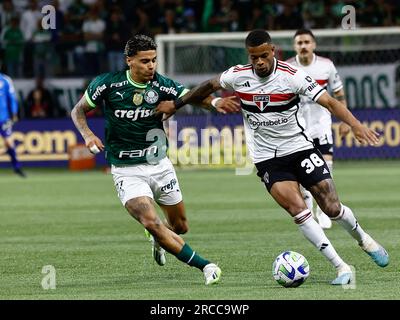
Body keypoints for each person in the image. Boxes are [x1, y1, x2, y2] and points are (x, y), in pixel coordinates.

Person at [156, 29, 389, 285]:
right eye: (254, 57)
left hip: (300, 148)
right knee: (298, 210)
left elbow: (331, 103)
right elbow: (207, 86)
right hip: (267, 158)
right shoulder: (238, 75)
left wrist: (355, 125)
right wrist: (179, 105)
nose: (259, 62)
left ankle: (364, 240)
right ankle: (341, 267)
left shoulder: (293, 76)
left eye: (263, 56)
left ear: (273, 51)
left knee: (332, 207)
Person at [70, 34, 238, 285]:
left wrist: (214, 101)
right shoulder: (107, 84)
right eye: (145, 61)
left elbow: (191, 96)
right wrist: (88, 135)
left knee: (180, 226)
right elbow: (78, 110)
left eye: (154, 60)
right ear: (129, 61)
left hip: (160, 165)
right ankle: (206, 266)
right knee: (150, 221)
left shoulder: (162, 85)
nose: (151, 66)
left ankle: (159, 240)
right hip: (127, 170)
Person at [286, 28, 351, 229]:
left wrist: (345, 120)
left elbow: (338, 93)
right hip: (297, 127)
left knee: (326, 168)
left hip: (321, 124)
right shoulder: (287, 67)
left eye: (307, 42)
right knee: (301, 171)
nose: (303, 46)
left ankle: (324, 211)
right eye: (299, 43)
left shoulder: (326, 66)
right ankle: (308, 207)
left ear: (314, 44)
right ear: (294, 46)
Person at [0, 72, 25, 177]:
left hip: (4, 118)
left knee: (9, 143)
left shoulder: (5, 80)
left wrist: (14, 113)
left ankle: (16, 167)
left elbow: (12, 98)